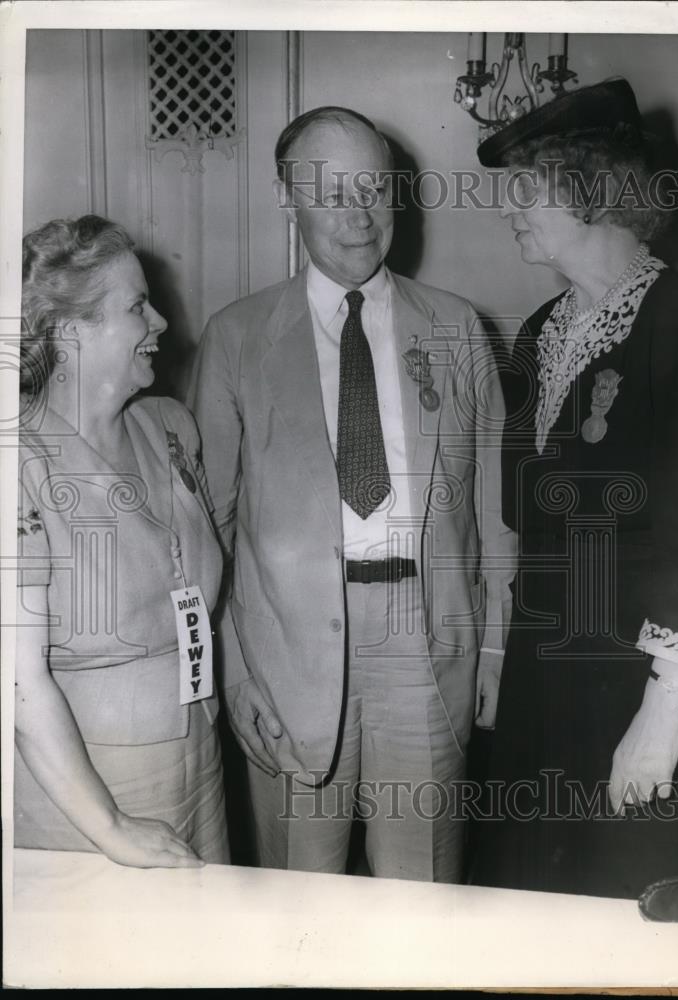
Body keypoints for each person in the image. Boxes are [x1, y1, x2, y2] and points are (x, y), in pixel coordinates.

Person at [188, 106, 514, 882]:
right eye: (331, 192)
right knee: (297, 902)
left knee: (423, 897)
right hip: (284, 657)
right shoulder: (236, 339)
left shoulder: (459, 329)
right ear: (285, 198)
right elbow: (205, 537)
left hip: (427, 644)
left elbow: (497, 509)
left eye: (375, 188)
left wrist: (497, 644)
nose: (360, 215)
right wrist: (233, 676)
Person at [471, 79, 678, 898]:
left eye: (525, 191)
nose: (507, 211)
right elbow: (521, 514)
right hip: (545, 671)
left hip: (643, 682)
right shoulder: (539, 331)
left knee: (625, 903)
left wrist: (663, 713)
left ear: (591, 189)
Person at [15, 215, 229, 867]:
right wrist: (111, 828)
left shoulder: (169, 426)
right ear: (70, 331)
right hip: (88, 805)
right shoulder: (18, 463)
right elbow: (19, 685)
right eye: (138, 306)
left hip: (202, 770)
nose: (162, 322)